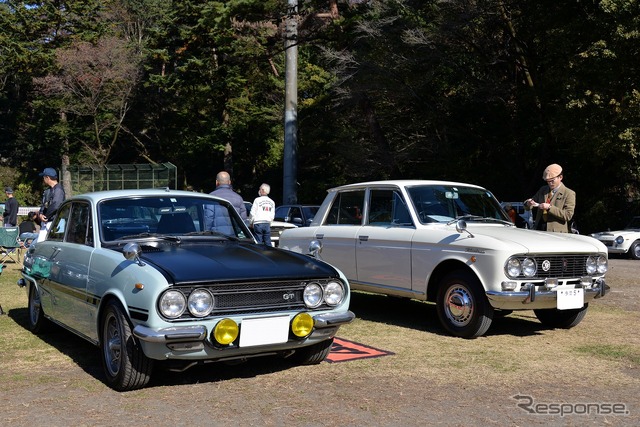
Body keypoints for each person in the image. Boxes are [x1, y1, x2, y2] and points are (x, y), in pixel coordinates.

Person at [524, 163, 575, 232]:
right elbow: (528, 206)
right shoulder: (543, 189)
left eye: (552, 180)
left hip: (556, 233)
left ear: (560, 177)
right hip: (539, 229)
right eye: (548, 181)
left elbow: (568, 215)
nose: (550, 183)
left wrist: (550, 208)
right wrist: (528, 203)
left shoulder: (569, 193)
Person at [37, 167, 66, 241]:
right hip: (47, 222)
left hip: (55, 222)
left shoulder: (58, 189)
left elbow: (56, 205)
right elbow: (44, 204)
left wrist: (46, 216)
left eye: (44, 177)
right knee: (40, 244)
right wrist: (40, 213)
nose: (43, 179)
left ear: (47, 177)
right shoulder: (48, 190)